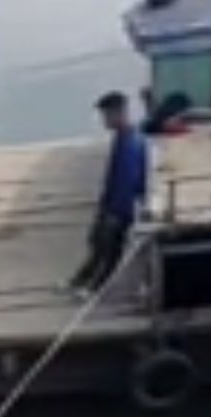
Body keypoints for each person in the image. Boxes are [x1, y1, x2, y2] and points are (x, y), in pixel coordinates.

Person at [68, 91, 150, 296]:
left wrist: (114, 213)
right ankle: (80, 281)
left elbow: (126, 182)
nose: (104, 120)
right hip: (110, 205)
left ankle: (94, 288)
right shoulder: (123, 138)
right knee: (97, 243)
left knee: (110, 249)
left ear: (119, 113)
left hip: (119, 210)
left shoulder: (130, 143)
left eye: (107, 115)